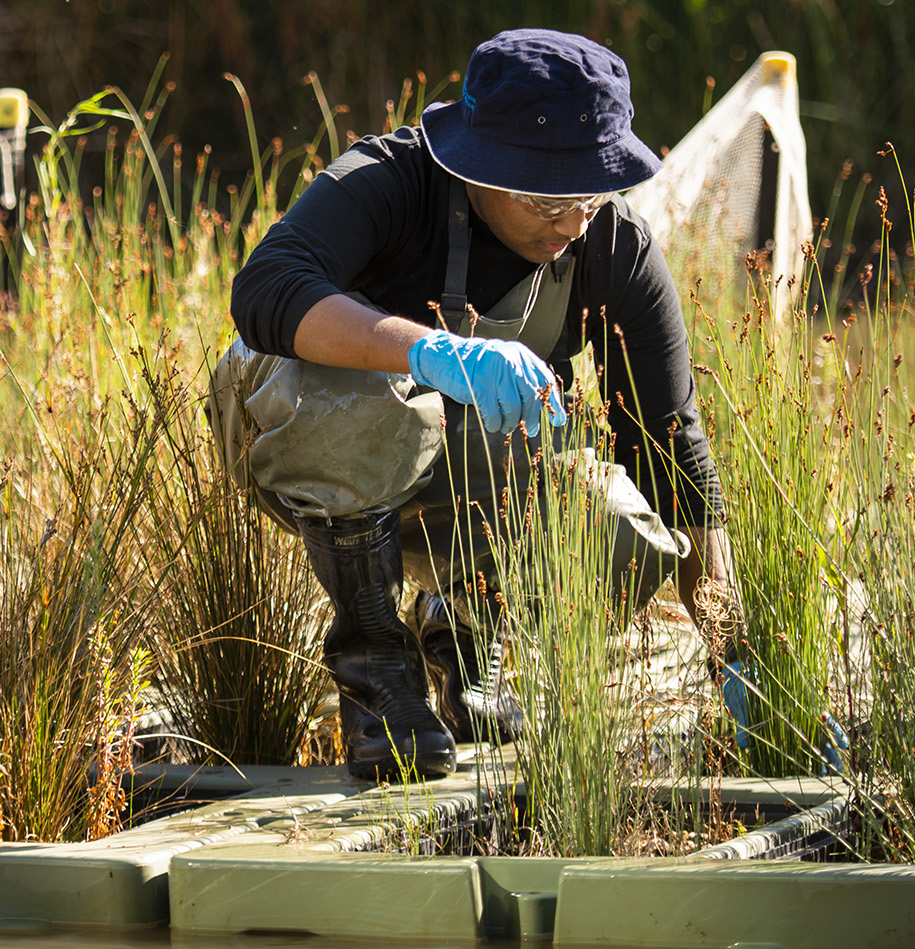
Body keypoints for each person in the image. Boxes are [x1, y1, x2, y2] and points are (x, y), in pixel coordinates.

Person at [210, 28, 740, 782]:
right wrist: (429, 352)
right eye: (546, 200)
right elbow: (264, 288)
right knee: (369, 405)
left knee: (623, 534)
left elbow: (673, 455)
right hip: (297, 432)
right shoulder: (388, 179)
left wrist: (739, 662)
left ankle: (465, 640)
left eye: (593, 194)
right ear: (474, 165)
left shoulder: (612, 250)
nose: (573, 225)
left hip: (455, 474)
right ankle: (377, 679)